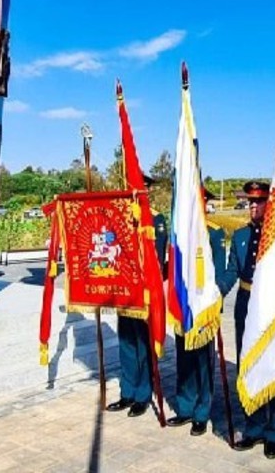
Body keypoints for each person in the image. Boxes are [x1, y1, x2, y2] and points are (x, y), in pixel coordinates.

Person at [218, 180, 275, 459]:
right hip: (245, 304)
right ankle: (254, 427)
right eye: (250, 202)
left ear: (269, 204)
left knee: (274, 369)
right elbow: (232, 270)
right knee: (248, 367)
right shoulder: (241, 235)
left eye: (258, 201)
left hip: (271, 306)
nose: (253, 206)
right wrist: (216, 293)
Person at [106, 173, 168, 419]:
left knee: (144, 346)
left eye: (140, 188)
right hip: (124, 293)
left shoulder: (155, 219)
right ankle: (127, 392)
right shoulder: (119, 218)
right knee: (126, 344)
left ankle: (143, 395)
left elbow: (157, 259)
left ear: (147, 191)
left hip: (144, 294)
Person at [167, 188, 226, 437]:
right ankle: (185, 407)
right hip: (183, 306)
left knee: (203, 363)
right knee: (184, 359)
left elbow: (220, 272)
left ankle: (202, 413)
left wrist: (213, 302)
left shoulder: (214, 232)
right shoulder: (180, 234)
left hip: (203, 307)